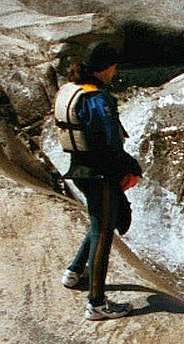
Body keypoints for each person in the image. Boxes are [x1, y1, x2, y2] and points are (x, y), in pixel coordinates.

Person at [54, 43, 141, 321]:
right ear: (104, 68)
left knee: (102, 220)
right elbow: (110, 143)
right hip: (100, 173)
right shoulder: (97, 99)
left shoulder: (74, 89)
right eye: (114, 66)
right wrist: (131, 167)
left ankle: (74, 271)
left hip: (80, 169)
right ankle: (97, 304)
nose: (116, 71)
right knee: (104, 231)